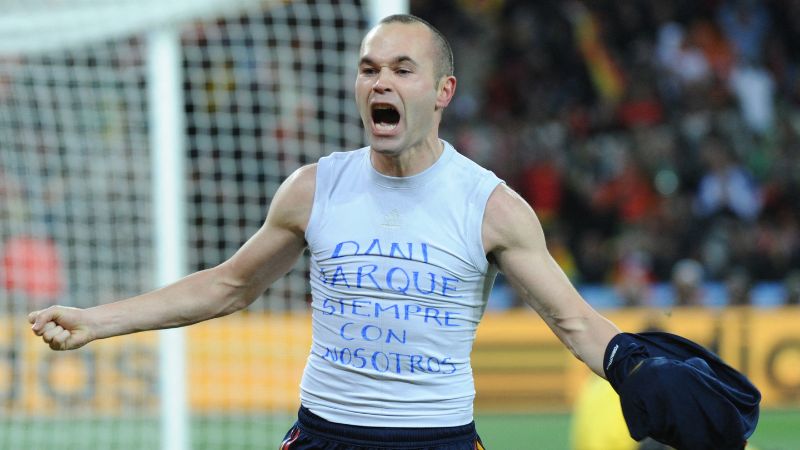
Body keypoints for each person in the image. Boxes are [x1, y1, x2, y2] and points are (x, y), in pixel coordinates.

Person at [28, 14, 758, 450]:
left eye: (402, 69)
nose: (380, 82)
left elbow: (573, 320)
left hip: (437, 441)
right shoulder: (315, 187)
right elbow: (229, 285)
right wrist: (95, 321)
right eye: (369, 68)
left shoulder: (491, 206)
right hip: (323, 435)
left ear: (441, 93)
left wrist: (635, 367)